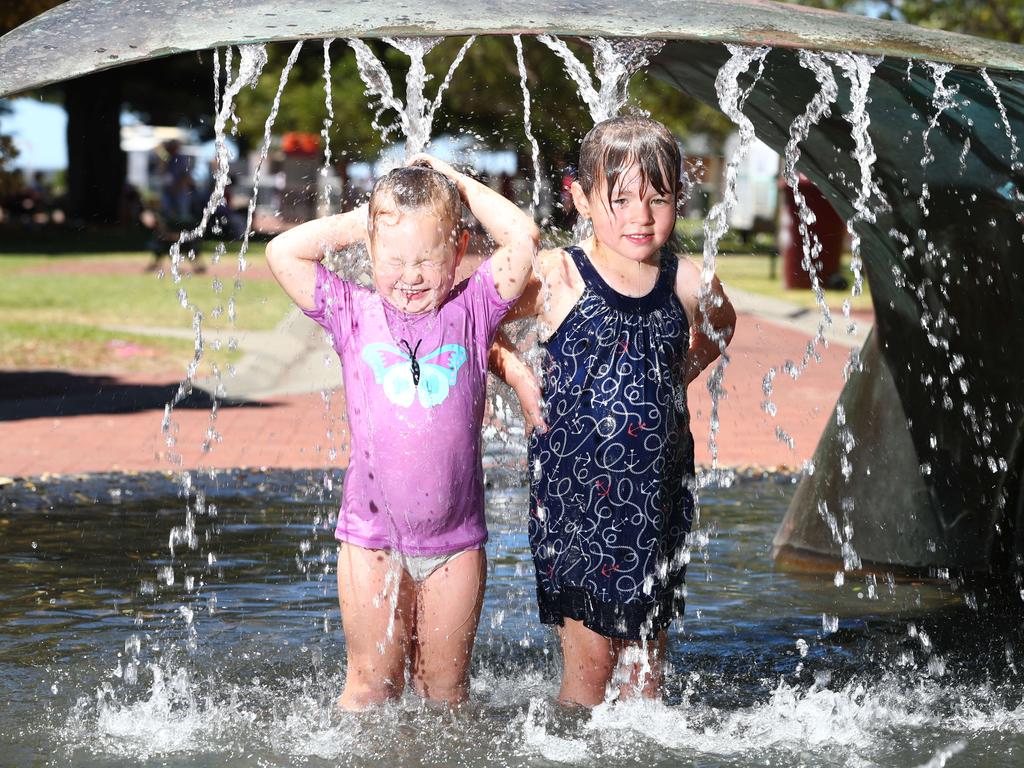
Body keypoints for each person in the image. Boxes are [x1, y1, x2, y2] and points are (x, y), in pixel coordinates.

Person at [265, 155, 539, 710]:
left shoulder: (473, 309)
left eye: (427, 260)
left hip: (455, 544)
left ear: (458, 253)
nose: (410, 276)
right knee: (369, 689)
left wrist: (456, 182)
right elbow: (281, 252)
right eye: (393, 259)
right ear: (370, 252)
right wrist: (367, 220)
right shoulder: (351, 311)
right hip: (371, 542)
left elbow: (523, 237)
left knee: (445, 695)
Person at [489, 116, 736, 707]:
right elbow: (479, 326)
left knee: (645, 676)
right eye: (619, 198)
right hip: (576, 501)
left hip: (656, 497)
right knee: (591, 669)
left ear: (680, 196)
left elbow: (722, 327)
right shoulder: (559, 274)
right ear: (579, 196)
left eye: (658, 199)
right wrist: (521, 378)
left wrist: (677, 375)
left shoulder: (685, 282)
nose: (640, 217)